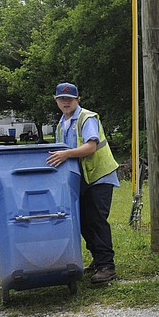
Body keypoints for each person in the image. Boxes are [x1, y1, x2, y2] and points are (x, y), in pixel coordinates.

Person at [46, 82, 119, 284]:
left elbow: (90, 147)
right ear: (56, 101)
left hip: (99, 176)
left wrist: (65, 154)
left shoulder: (87, 118)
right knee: (83, 223)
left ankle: (107, 267)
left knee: (95, 220)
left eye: (70, 99)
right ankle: (98, 260)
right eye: (62, 99)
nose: (66, 102)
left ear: (78, 100)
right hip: (82, 180)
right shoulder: (61, 124)